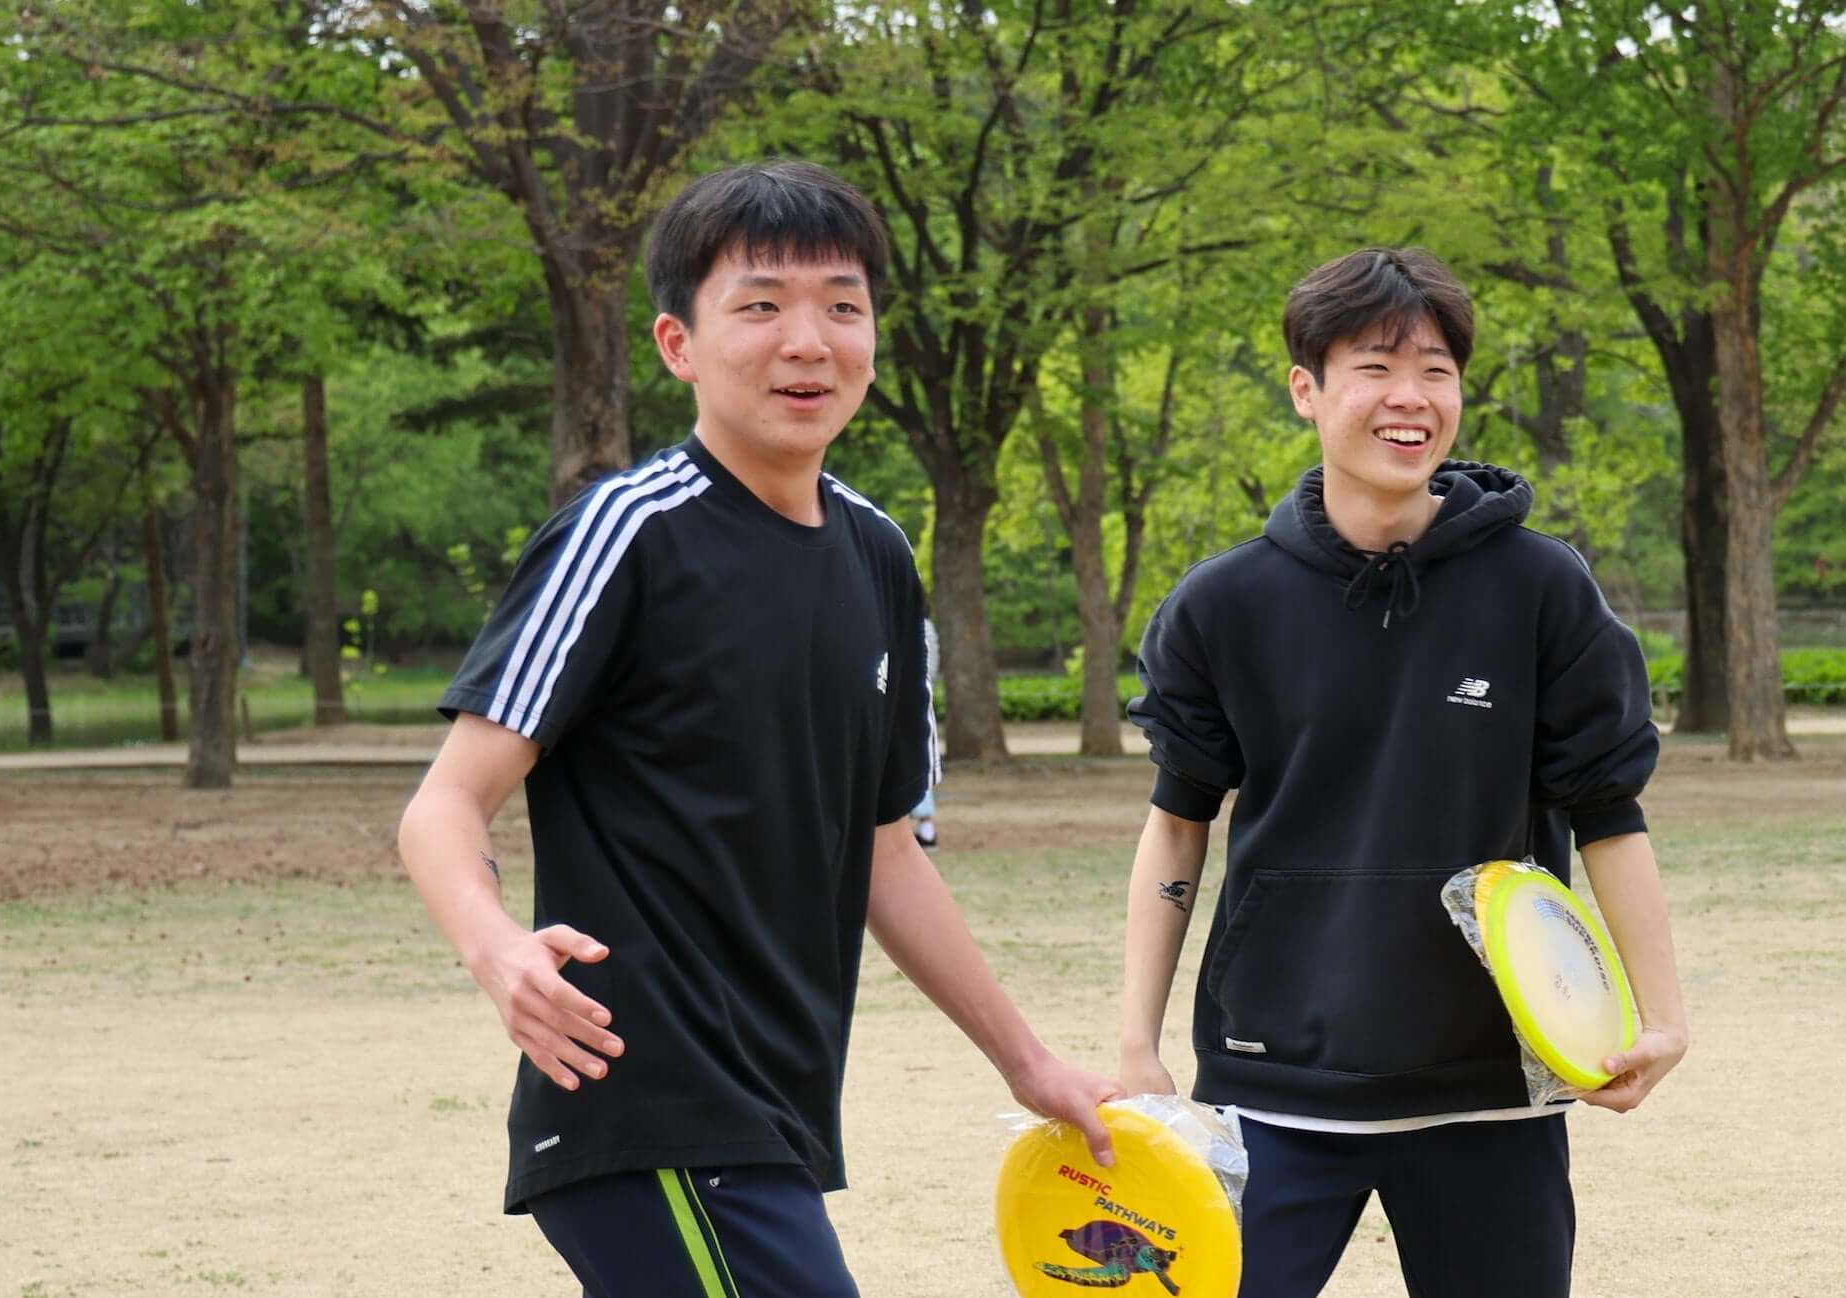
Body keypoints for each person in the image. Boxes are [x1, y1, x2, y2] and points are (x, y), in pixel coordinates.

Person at [398, 160, 1119, 1298]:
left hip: (773, 1111)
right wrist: (497, 950)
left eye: (842, 304)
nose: (808, 340)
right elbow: (443, 802)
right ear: (678, 342)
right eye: (761, 304)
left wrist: (1028, 1062)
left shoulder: (877, 554)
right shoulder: (626, 531)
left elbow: (884, 852)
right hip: (648, 1102)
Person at [1117, 247, 1688, 1298]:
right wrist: (1133, 1043)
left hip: (1485, 1089)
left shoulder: (1541, 588)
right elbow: (1176, 821)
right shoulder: (1219, 604)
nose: (1409, 398)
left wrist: (1659, 1014)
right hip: (1272, 1083)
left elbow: (1608, 809)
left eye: (1435, 369)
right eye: (1374, 365)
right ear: (1306, 389)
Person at [910, 615, 940, 850]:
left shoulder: (919, 625)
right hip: (912, 705)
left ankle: (926, 827)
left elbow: (926, 669)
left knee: (917, 768)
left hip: (912, 706)